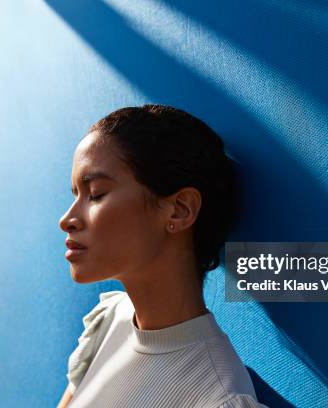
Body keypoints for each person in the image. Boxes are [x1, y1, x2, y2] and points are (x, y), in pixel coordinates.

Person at [57, 104, 267, 407]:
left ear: (180, 210)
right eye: (75, 194)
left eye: (97, 193)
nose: (67, 219)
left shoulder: (216, 399)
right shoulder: (110, 321)